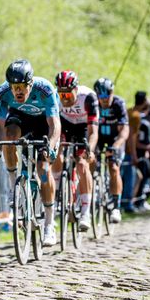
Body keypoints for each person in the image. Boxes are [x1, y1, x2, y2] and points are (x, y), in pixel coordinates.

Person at [0, 59, 61, 246]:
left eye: (22, 86)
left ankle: (48, 223)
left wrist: (51, 146)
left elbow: (54, 124)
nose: (18, 91)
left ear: (30, 84)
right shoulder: (2, 93)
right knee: (9, 134)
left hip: (43, 124)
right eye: (14, 87)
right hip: (20, 119)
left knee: (44, 169)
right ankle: (12, 183)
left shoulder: (45, 89)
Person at [51, 70, 99, 232]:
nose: (64, 99)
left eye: (68, 95)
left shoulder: (88, 98)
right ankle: (58, 190)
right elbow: (53, 125)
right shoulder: (56, 99)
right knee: (55, 152)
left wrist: (90, 150)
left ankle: (85, 212)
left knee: (81, 163)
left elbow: (93, 132)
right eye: (61, 95)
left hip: (83, 127)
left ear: (76, 89)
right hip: (65, 125)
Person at [94, 77, 129, 223]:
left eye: (106, 95)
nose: (103, 99)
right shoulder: (93, 103)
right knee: (89, 162)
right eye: (100, 96)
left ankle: (116, 206)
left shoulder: (118, 104)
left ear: (112, 92)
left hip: (115, 139)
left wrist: (116, 146)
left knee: (114, 167)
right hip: (98, 138)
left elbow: (124, 130)